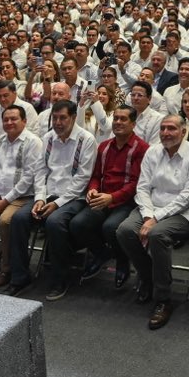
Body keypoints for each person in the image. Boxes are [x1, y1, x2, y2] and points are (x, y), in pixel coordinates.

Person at [115, 113, 189, 329]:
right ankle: (149, 277)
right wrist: (148, 215)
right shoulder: (153, 152)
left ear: (183, 132)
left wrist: (156, 218)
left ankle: (163, 299)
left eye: (172, 128)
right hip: (151, 207)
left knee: (158, 235)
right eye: (163, 128)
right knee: (124, 231)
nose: (166, 133)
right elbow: (143, 187)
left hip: (182, 213)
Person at [50, 105, 146, 300]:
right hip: (102, 197)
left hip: (125, 201)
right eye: (116, 118)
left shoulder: (142, 148)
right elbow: (96, 175)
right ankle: (101, 253)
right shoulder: (104, 146)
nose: (118, 122)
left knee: (111, 227)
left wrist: (113, 197)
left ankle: (121, 260)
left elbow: (138, 183)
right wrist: (93, 188)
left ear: (133, 124)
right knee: (78, 224)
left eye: (123, 119)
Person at [30, 99, 97, 297]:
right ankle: (16, 275)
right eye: (55, 118)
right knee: (17, 219)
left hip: (73, 197)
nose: (58, 122)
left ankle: (60, 279)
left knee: (54, 220)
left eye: (63, 118)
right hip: (49, 193)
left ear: (74, 118)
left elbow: (82, 178)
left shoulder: (86, 140)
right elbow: (40, 170)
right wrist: (40, 198)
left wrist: (56, 203)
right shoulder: (49, 137)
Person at [0, 104, 47, 294]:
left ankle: (6, 268)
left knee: (5, 221)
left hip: (21, 196)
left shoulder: (33, 142)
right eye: (6, 119)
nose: (9, 123)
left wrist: (5, 201)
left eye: (14, 119)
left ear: (24, 121)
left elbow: (29, 178)